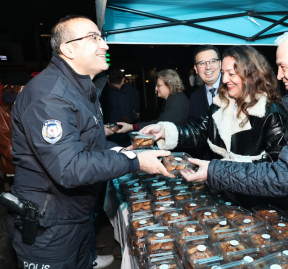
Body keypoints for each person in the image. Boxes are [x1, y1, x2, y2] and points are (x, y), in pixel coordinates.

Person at [5, 15, 172, 269]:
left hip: (74, 217)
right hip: (49, 226)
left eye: (102, 38)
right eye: (94, 37)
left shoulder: (81, 89)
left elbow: (87, 144)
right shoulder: (50, 96)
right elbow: (70, 168)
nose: (104, 45)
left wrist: (122, 150)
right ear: (68, 49)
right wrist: (134, 161)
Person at [173, 29, 288, 228]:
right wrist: (167, 132)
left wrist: (216, 171)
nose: (279, 76)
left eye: (283, 67)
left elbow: (283, 175)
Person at [142, 45, 288, 208]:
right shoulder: (221, 103)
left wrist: (222, 171)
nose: (224, 80)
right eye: (224, 73)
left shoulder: (271, 112)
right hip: (227, 195)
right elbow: (198, 131)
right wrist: (164, 131)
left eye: (231, 74)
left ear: (250, 74)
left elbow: (277, 168)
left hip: (259, 203)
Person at [116, 69, 189, 133]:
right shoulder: (172, 98)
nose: (156, 89)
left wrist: (132, 127)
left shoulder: (177, 101)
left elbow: (160, 124)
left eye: (158, 85)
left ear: (169, 85)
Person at [0, 72, 31, 192]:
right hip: (18, 165)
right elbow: (5, 143)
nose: (27, 90)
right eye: (23, 87)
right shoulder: (3, 110)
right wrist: (24, 160)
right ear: (12, 87)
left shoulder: (27, 104)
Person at [100, 69, 139, 146]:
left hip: (104, 133)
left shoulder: (101, 94)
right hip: (119, 136)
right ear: (123, 80)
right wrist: (135, 115)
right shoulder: (122, 96)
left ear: (108, 81)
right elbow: (125, 119)